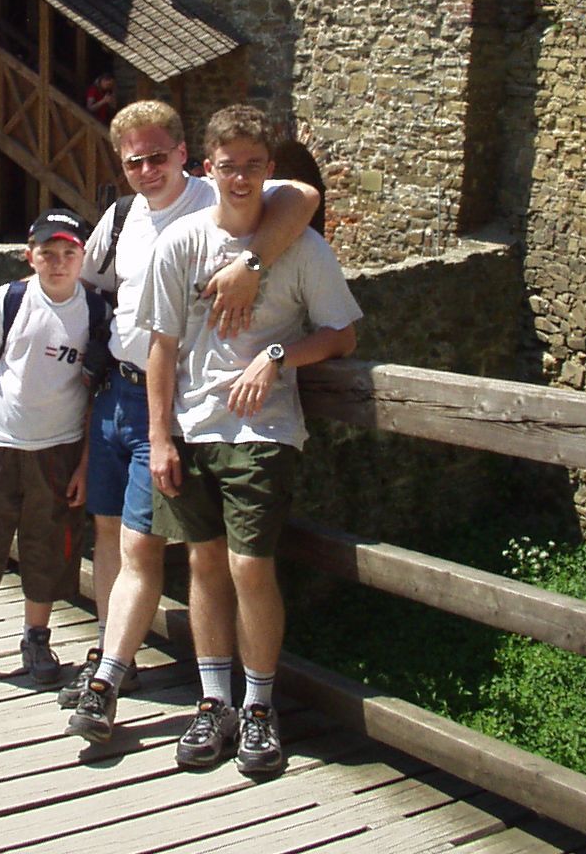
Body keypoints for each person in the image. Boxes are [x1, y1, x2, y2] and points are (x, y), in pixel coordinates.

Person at [61, 100, 320, 731]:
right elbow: (83, 282)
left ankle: (112, 678)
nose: (147, 170)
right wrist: (8, 299)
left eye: (158, 157)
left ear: (186, 155)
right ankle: (114, 656)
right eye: (134, 162)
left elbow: (304, 197)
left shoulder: (217, 192)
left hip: (176, 399)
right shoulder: (123, 216)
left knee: (148, 544)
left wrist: (250, 264)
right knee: (110, 532)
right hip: (118, 392)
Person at [140, 105, 361, 775]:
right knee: (203, 564)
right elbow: (162, 347)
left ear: (270, 171)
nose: (240, 179)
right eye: (229, 166)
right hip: (192, 425)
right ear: (208, 168)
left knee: (249, 566)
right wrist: (159, 438)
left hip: (263, 430)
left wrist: (276, 355)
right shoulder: (181, 242)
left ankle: (259, 707)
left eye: (253, 167)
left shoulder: (302, 247)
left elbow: (342, 335)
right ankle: (215, 703)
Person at [0, 209, 107, 695]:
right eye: (47, 253)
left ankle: (36, 637)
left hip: (59, 450)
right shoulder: (8, 302)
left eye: (69, 253)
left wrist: (84, 464)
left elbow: (95, 394)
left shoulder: (97, 313)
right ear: (29, 256)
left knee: (48, 547)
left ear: (83, 257)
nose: (58, 263)